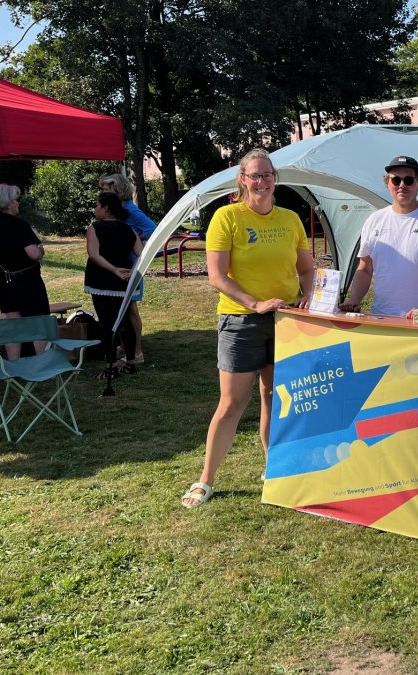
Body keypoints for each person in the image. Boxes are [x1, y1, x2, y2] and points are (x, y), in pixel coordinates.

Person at [182, 149, 315, 508]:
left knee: (275, 396)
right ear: (242, 180)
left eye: (267, 175)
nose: (261, 182)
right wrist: (255, 304)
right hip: (241, 321)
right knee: (232, 403)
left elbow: (306, 268)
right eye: (254, 175)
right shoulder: (227, 218)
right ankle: (206, 479)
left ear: (276, 179)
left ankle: (274, 466)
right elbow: (216, 276)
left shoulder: (290, 219)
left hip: (286, 320)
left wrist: (308, 296)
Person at [339, 155, 418, 318]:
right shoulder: (374, 220)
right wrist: (354, 300)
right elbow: (365, 269)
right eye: (395, 180)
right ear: (388, 183)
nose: (402, 185)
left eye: (408, 180)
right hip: (380, 318)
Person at [0, 184, 51, 359]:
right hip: (26, 280)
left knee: (14, 323)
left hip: (1, 279)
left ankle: (14, 362)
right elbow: (34, 254)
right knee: (38, 321)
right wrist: (41, 248)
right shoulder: (19, 225)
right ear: (8, 203)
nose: (18, 203)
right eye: (16, 199)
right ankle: (42, 361)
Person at [84, 192, 143, 379]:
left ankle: (111, 366)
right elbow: (143, 254)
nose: (95, 209)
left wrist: (114, 270)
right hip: (123, 282)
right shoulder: (128, 229)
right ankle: (130, 363)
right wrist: (132, 271)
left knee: (107, 323)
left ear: (106, 207)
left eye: (97, 205)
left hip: (103, 280)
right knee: (124, 322)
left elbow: (94, 255)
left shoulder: (95, 228)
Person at [98, 173, 156, 365]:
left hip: (131, 265)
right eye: (102, 189)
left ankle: (137, 352)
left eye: (106, 189)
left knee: (130, 309)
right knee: (122, 307)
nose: (103, 192)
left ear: (118, 189)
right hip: (119, 266)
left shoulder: (130, 210)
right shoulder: (116, 210)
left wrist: (133, 238)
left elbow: (152, 229)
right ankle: (126, 346)